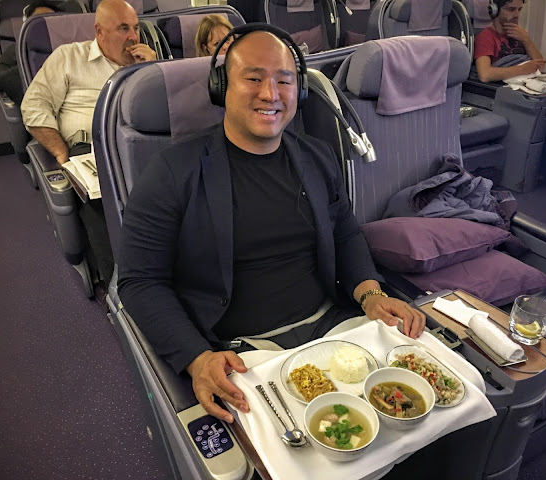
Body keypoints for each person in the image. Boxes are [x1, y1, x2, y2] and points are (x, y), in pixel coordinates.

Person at [117, 26, 426, 424]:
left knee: (415, 402)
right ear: (221, 87)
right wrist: (197, 358)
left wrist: (370, 293)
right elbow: (140, 281)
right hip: (242, 351)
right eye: (253, 78)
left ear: (300, 90)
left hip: (334, 326)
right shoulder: (172, 172)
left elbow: (345, 232)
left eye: (284, 80)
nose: (270, 94)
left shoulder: (317, 157)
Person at [21, 0, 156, 288]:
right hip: (90, 148)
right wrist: (61, 153)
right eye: (123, 28)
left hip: (142, 145)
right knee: (104, 202)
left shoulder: (147, 64)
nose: (133, 37)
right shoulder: (68, 57)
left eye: (135, 28)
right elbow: (33, 107)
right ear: (99, 32)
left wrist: (152, 71)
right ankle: (122, 289)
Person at [0, 0, 62, 106]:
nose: (45, 26)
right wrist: (29, 65)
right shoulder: (18, 50)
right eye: (39, 23)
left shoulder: (72, 47)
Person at [473, 0, 546, 83]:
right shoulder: (485, 36)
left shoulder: (520, 33)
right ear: (495, 10)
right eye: (511, 9)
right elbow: (485, 75)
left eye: (519, 9)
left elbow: (541, 66)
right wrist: (522, 69)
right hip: (503, 86)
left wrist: (526, 39)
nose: (517, 15)